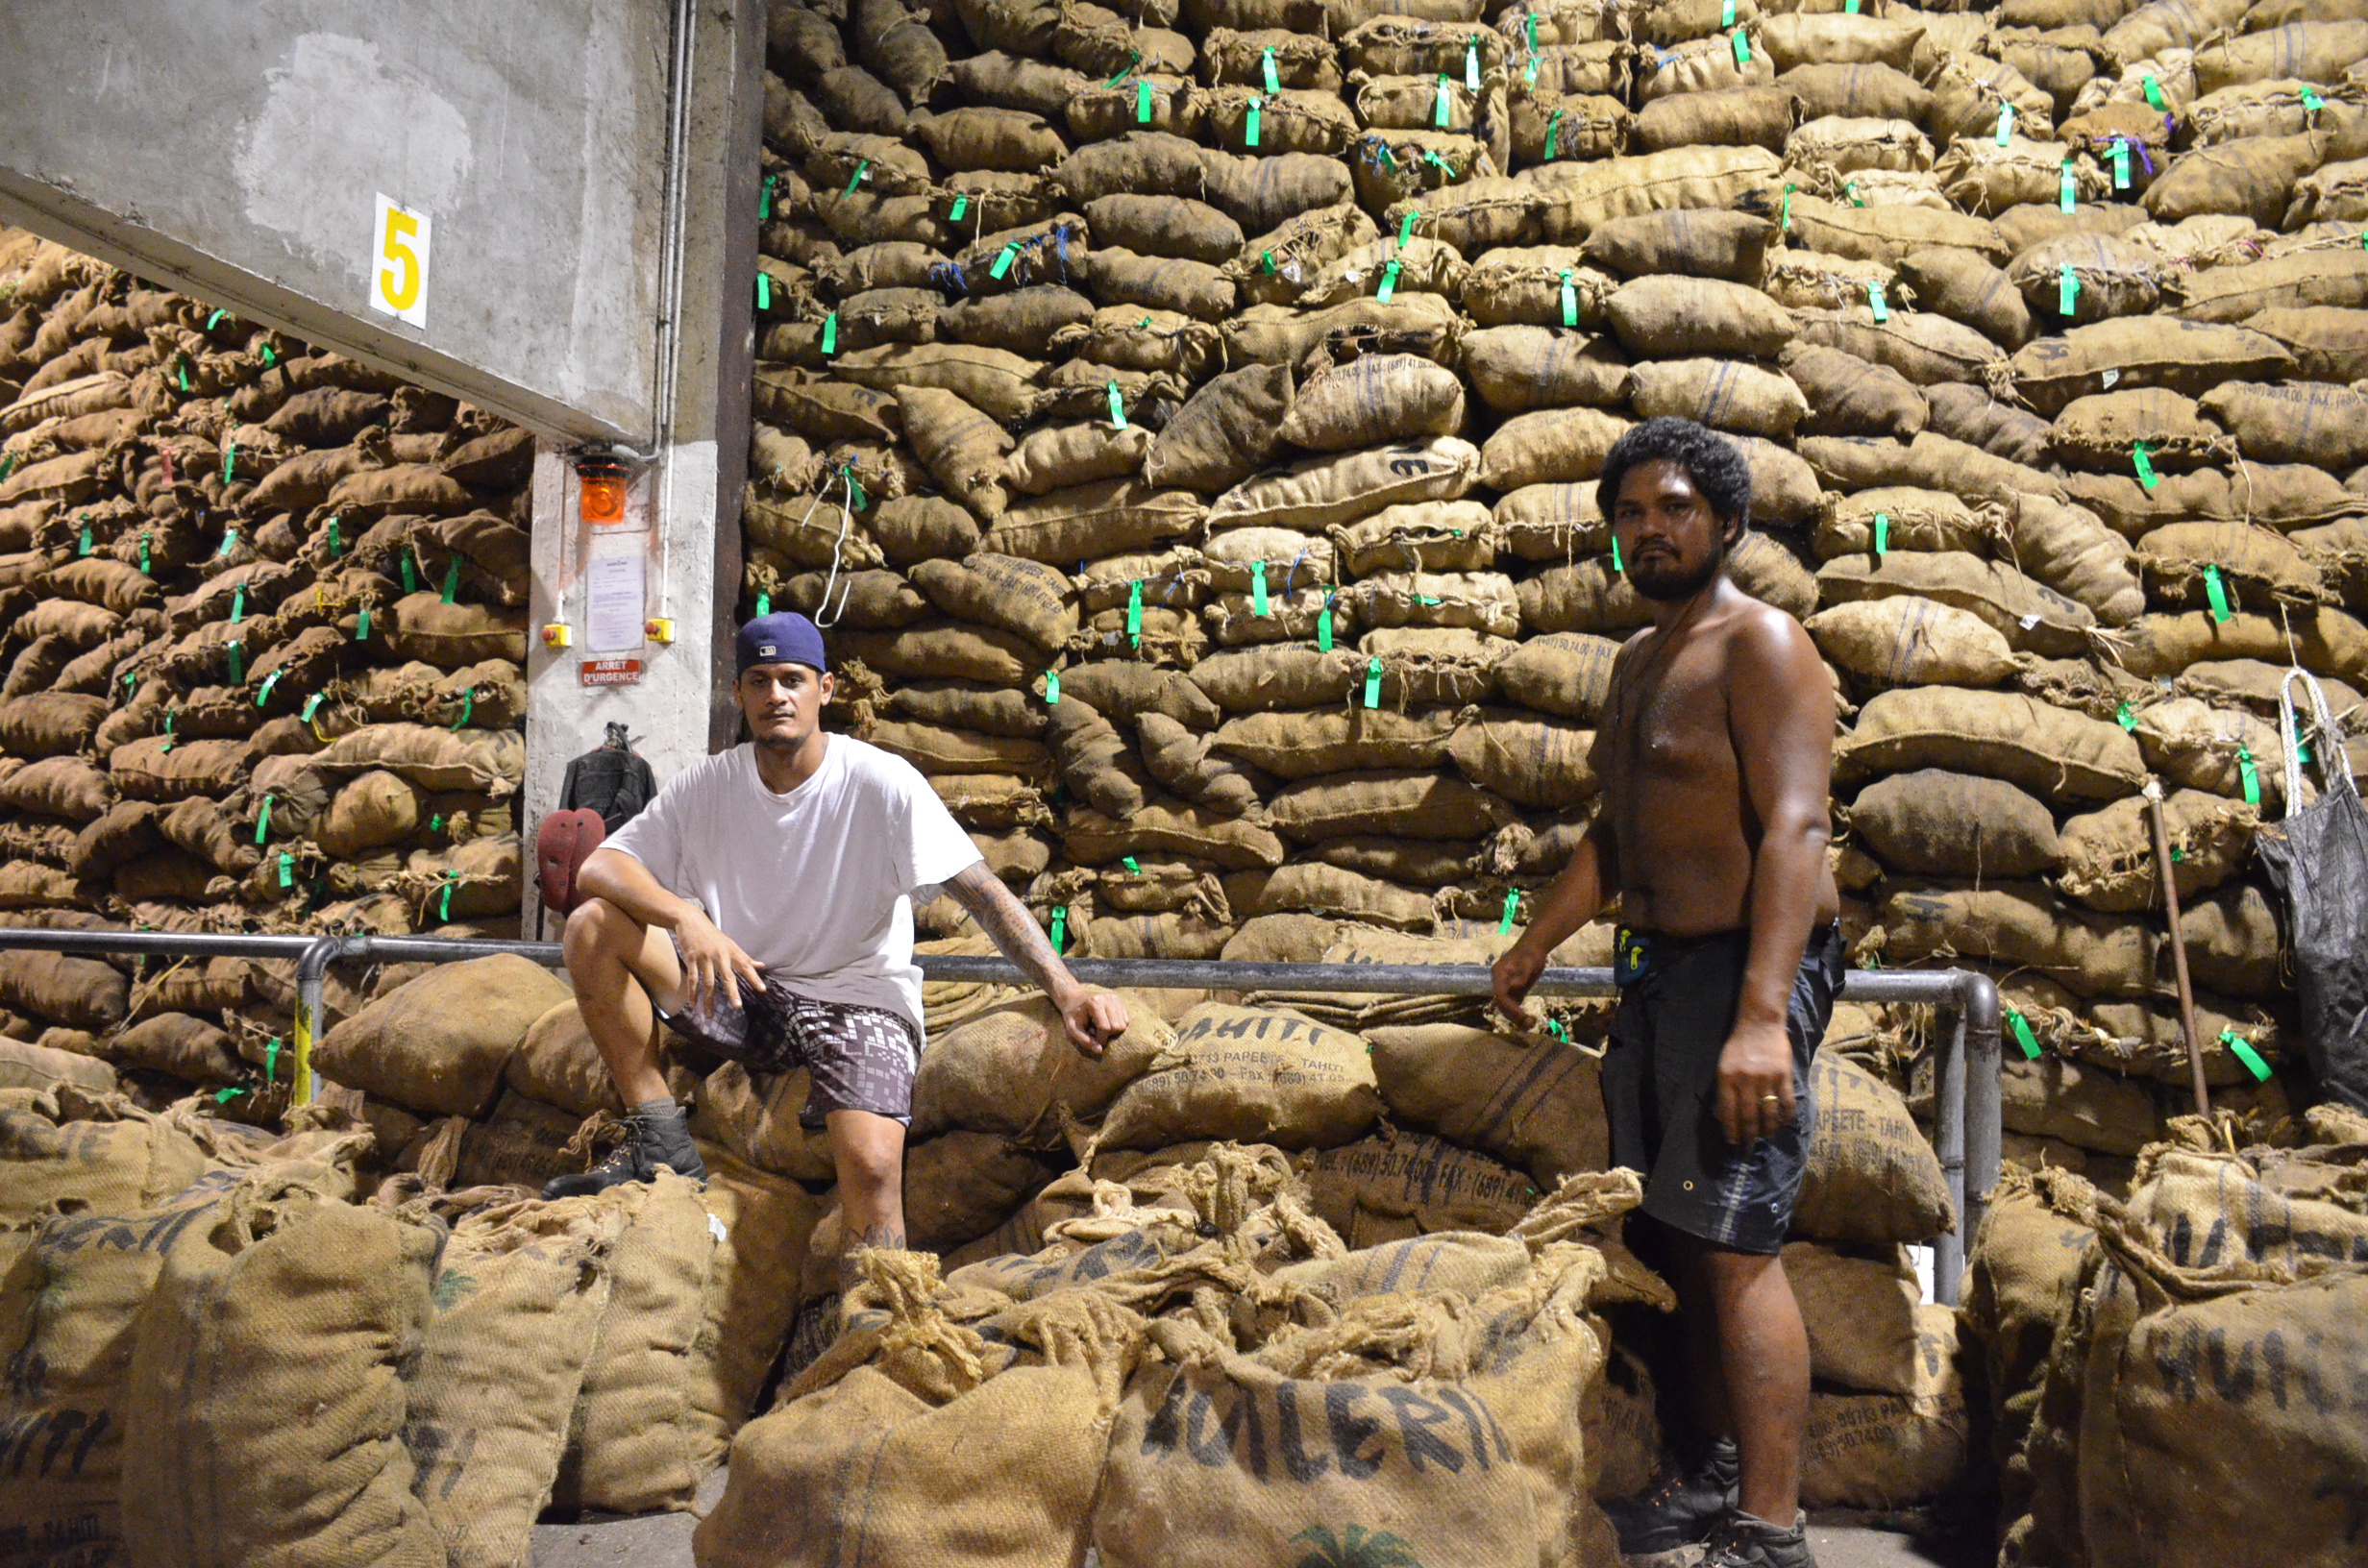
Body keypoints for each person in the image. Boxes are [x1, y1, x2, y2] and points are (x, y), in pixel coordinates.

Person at [543, 610, 1130, 1302]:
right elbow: (599, 870)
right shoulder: (710, 785)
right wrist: (683, 914)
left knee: (874, 1165)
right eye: (759, 681)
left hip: (860, 1000)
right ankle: (660, 1138)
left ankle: (880, 1318)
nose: (776, 696)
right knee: (590, 927)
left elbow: (982, 893)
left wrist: (1067, 990)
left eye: (792, 679)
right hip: (750, 989)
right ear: (739, 695)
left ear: (824, 689)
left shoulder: (880, 782)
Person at [1492, 418, 1841, 1568]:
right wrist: (1535, 943)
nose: (1649, 528)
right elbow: (1617, 834)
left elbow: (1795, 826)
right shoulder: (1641, 661)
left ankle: (1773, 1528)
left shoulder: (1763, 643)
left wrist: (1759, 1016)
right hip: (1659, 974)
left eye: (1675, 507)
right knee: (1678, 1234)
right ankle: (1720, 1480)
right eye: (1630, 514)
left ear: (1729, 522)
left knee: (1737, 1243)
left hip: (1742, 968)